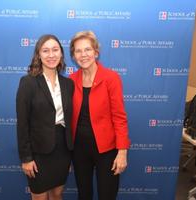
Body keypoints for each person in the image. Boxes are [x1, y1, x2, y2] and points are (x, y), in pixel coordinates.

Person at [69, 31, 131, 200]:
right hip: (79, 149)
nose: (83, 55)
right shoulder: (71, 80)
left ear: (96, 52)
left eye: (87, 49)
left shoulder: (111, 78)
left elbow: (119, 117)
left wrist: (122, 152)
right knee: (84, 194)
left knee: (107, 195)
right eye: (78, 51)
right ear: (73, 56)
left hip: (107, 149)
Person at [16, 34, 74, 200]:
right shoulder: (28, 82)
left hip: (62, 148)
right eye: (46, 50)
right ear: (38, 55)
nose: (51, 55)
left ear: (61, 54)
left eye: (55, 50)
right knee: (39, 196)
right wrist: (26, 158)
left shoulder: (68, 84)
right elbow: (22, 123)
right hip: (38, 152)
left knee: (57, 194)